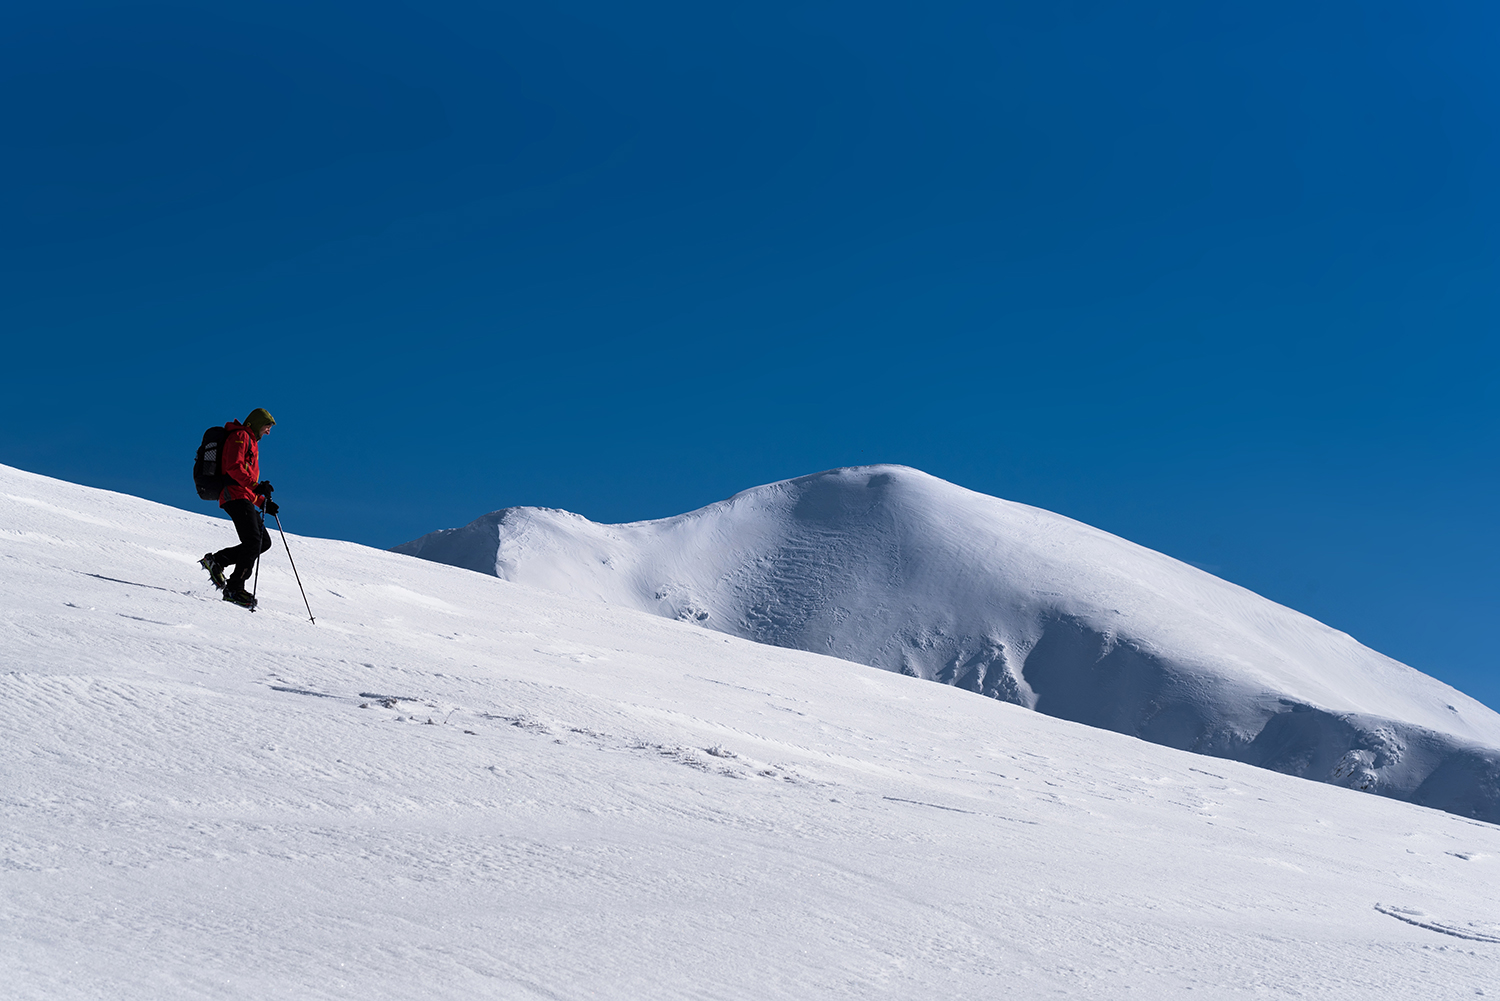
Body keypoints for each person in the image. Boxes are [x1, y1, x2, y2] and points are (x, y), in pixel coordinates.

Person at [199, 409, 279, 607]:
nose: (268, 432)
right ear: (256, 423)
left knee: (263, 542)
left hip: (242, 495)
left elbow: (244, 481)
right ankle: (235, 588)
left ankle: (218, 560)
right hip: (233, 495)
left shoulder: (251, 441)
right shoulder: (240, 436)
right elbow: (233, 468)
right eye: (266, 427)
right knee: (253, 540)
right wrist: (257, 486)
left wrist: (262, 503)